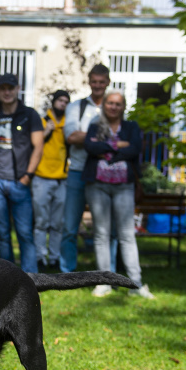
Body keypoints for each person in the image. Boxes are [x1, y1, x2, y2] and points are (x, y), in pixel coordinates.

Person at [83, 91, 155, 299]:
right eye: (110, 103)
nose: (114, 107)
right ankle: (103, 283)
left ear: (123, 107)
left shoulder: (131, 127)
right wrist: (118, 145)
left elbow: (134, 149)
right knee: (101, 234)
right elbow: (90, 146)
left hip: (124, 185)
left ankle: (135, 284)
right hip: (97, 185)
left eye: (118, 104)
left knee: (126, 234)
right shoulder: (95, 126)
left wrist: (105, 148)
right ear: (104, 105)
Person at [0, 73, 43, 273]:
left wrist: (27, 177)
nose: (7, 92)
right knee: (2, 234)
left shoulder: (30, 115)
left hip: (19, 181)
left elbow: (38, 147)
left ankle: (31, 278)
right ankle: (8, 278)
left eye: (11, 88)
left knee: (24, 233)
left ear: (18, 89)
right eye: (3, 88)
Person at [60, 64, 114, 274]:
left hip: (105, 172)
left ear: (108, 82)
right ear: (89, 81)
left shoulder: (113, 105)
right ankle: (67, 272)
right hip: (78, 171)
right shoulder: (76, 107)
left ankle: (109, 273)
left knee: (106, 229)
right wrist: (103, 138)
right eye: (94, 81)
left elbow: (123, 138)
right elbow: (71, 136)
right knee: (70, 227)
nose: (98, 85)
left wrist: (88, 137)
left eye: (102, 82)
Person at [32, 90, 70, 270]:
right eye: (60, 100)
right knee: (41, 222)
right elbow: (34, 144)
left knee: (58, 223)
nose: (63, 104)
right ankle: (40, 257)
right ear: (53, 102)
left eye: (66, 101)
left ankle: (54, 258)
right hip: (41, 178)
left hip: (62, 179)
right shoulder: (42, 122)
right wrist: (47, 132)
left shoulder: (68, 124)